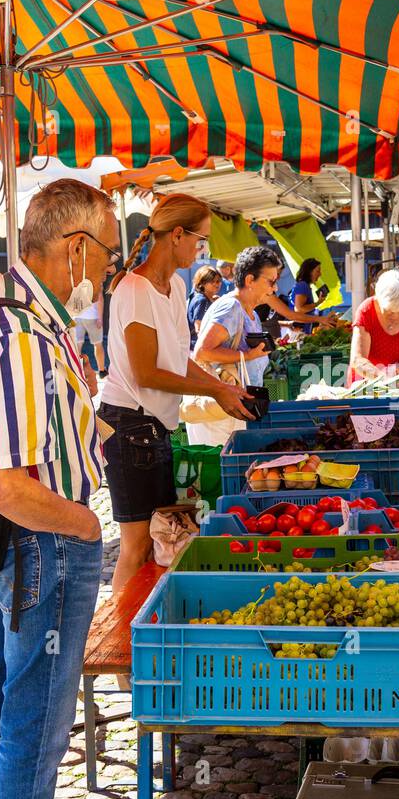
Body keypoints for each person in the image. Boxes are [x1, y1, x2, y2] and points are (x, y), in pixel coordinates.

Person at [0, 178, 112, 799]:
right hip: (41, 544)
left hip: (15, 549)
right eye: (108, 253)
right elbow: (6, 484)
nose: (107, 271)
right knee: (35, 724)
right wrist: (83, 526)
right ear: (76, 249)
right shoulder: (21, 334)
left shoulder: (8, 314)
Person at [100, 194, 252, 593]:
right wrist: (215, 389)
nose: (201, 250)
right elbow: (148, 372)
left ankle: (138, 630)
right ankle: (123, 641)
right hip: (129, 425)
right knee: (135, 546)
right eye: (200, 240)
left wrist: (219, 387)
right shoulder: (134, 289)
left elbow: (176, 358)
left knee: (156, 540)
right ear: (178, 234)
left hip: (154, 425)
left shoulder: (176, 286)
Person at [191, 246, 280, 444]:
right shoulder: (231, 307)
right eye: (271, 281)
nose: (275, 288)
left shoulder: (252, 313)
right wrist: (247, 356)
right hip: (221, 417)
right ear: (250, 280)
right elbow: (203, 352)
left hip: (234, 412)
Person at [187, 264, 223, 341]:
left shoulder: (199, 297)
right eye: (212, 281)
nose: (216, 284)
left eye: (218, 281)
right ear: (202, 283)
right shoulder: (202, 300)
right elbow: (199, 329)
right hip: (197, 346)